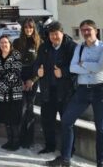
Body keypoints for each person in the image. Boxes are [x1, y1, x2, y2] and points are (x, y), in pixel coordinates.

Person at [48, 20, 103, 167]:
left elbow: (101, 66)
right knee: (66, 120)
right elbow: (72, 68)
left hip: (100, 89)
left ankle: (100, 162)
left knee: (101, 127)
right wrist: (91, 66)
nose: (85, 32)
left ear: (96, 31)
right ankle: (65, 159)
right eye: (83, 30)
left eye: (88, 29)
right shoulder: (79, 48)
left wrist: (83, 64)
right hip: (83, 90)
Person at [34, 21, 76, 154]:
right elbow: (37, 64)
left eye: (56, 34)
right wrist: (38, 71)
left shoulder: (71, 47)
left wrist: (63, 72)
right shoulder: (44, 47)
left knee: (67, 123)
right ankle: (50, 146)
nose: (54, 37)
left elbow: (77, 68)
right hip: (48, 91)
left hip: (65, 92)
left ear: (62, 33)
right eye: (51, 34)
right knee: (47, 121)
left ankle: (69, 149)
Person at [0, 35, 23, 151]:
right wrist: (0, 84)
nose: (4, 45)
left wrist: (2, 85)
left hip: (14, 94)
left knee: (14, 119)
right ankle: (9, 140)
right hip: (2, 95)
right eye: (1, 43)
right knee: (6, 119)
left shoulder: (16, 56)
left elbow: (15, 73)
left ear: (10, 44)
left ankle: (16, 141)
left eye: (6, 42)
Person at [13, 17, 41, 148]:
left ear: (34, 28)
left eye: (30, 27)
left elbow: (41, 65)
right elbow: (13, 62)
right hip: (19, 78)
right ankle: (18, 138)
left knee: (29, 109)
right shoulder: (17, 42)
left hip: (33, 79)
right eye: (26, 27)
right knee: (20, 109)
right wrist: (20, 80)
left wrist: (32, 80)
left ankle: (28, 140)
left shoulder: (39, 43)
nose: (28, 29)